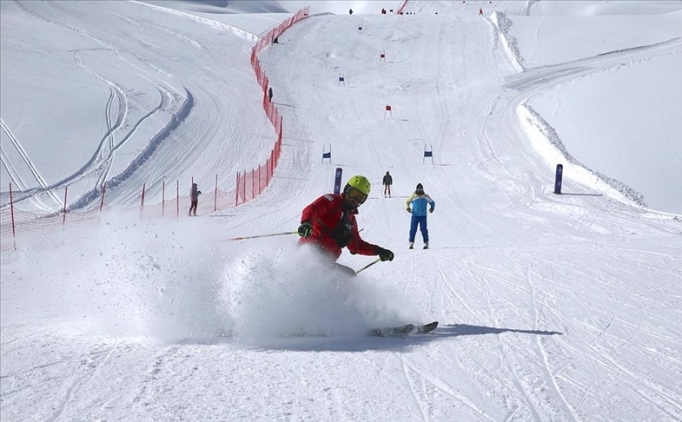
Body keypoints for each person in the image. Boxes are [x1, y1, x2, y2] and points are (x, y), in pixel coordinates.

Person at [298, 175, 394, 276]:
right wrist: (307, 223)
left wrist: (378, 250)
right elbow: (314, 209)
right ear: (347, 189)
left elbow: (357, 245)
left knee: (350, 275)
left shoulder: (351, 221)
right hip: (311, 249)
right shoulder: (332, 202)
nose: (355, 199)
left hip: (326, 261)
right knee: (321, 267)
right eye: (353, 193)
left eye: (360, 198)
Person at [405, 183, 435, 249]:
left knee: (423, 229)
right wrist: (408, 208)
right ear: (416, 189)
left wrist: (432, 208)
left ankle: (426, 242)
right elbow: (407, 202)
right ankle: (411, 242)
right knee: (413, 229)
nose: (419, 190)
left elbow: (432, 202)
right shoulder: (413, 196)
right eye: (418, 189)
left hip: (423, 216)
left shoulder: (425, 196)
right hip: (415, 215)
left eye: (420, 189)